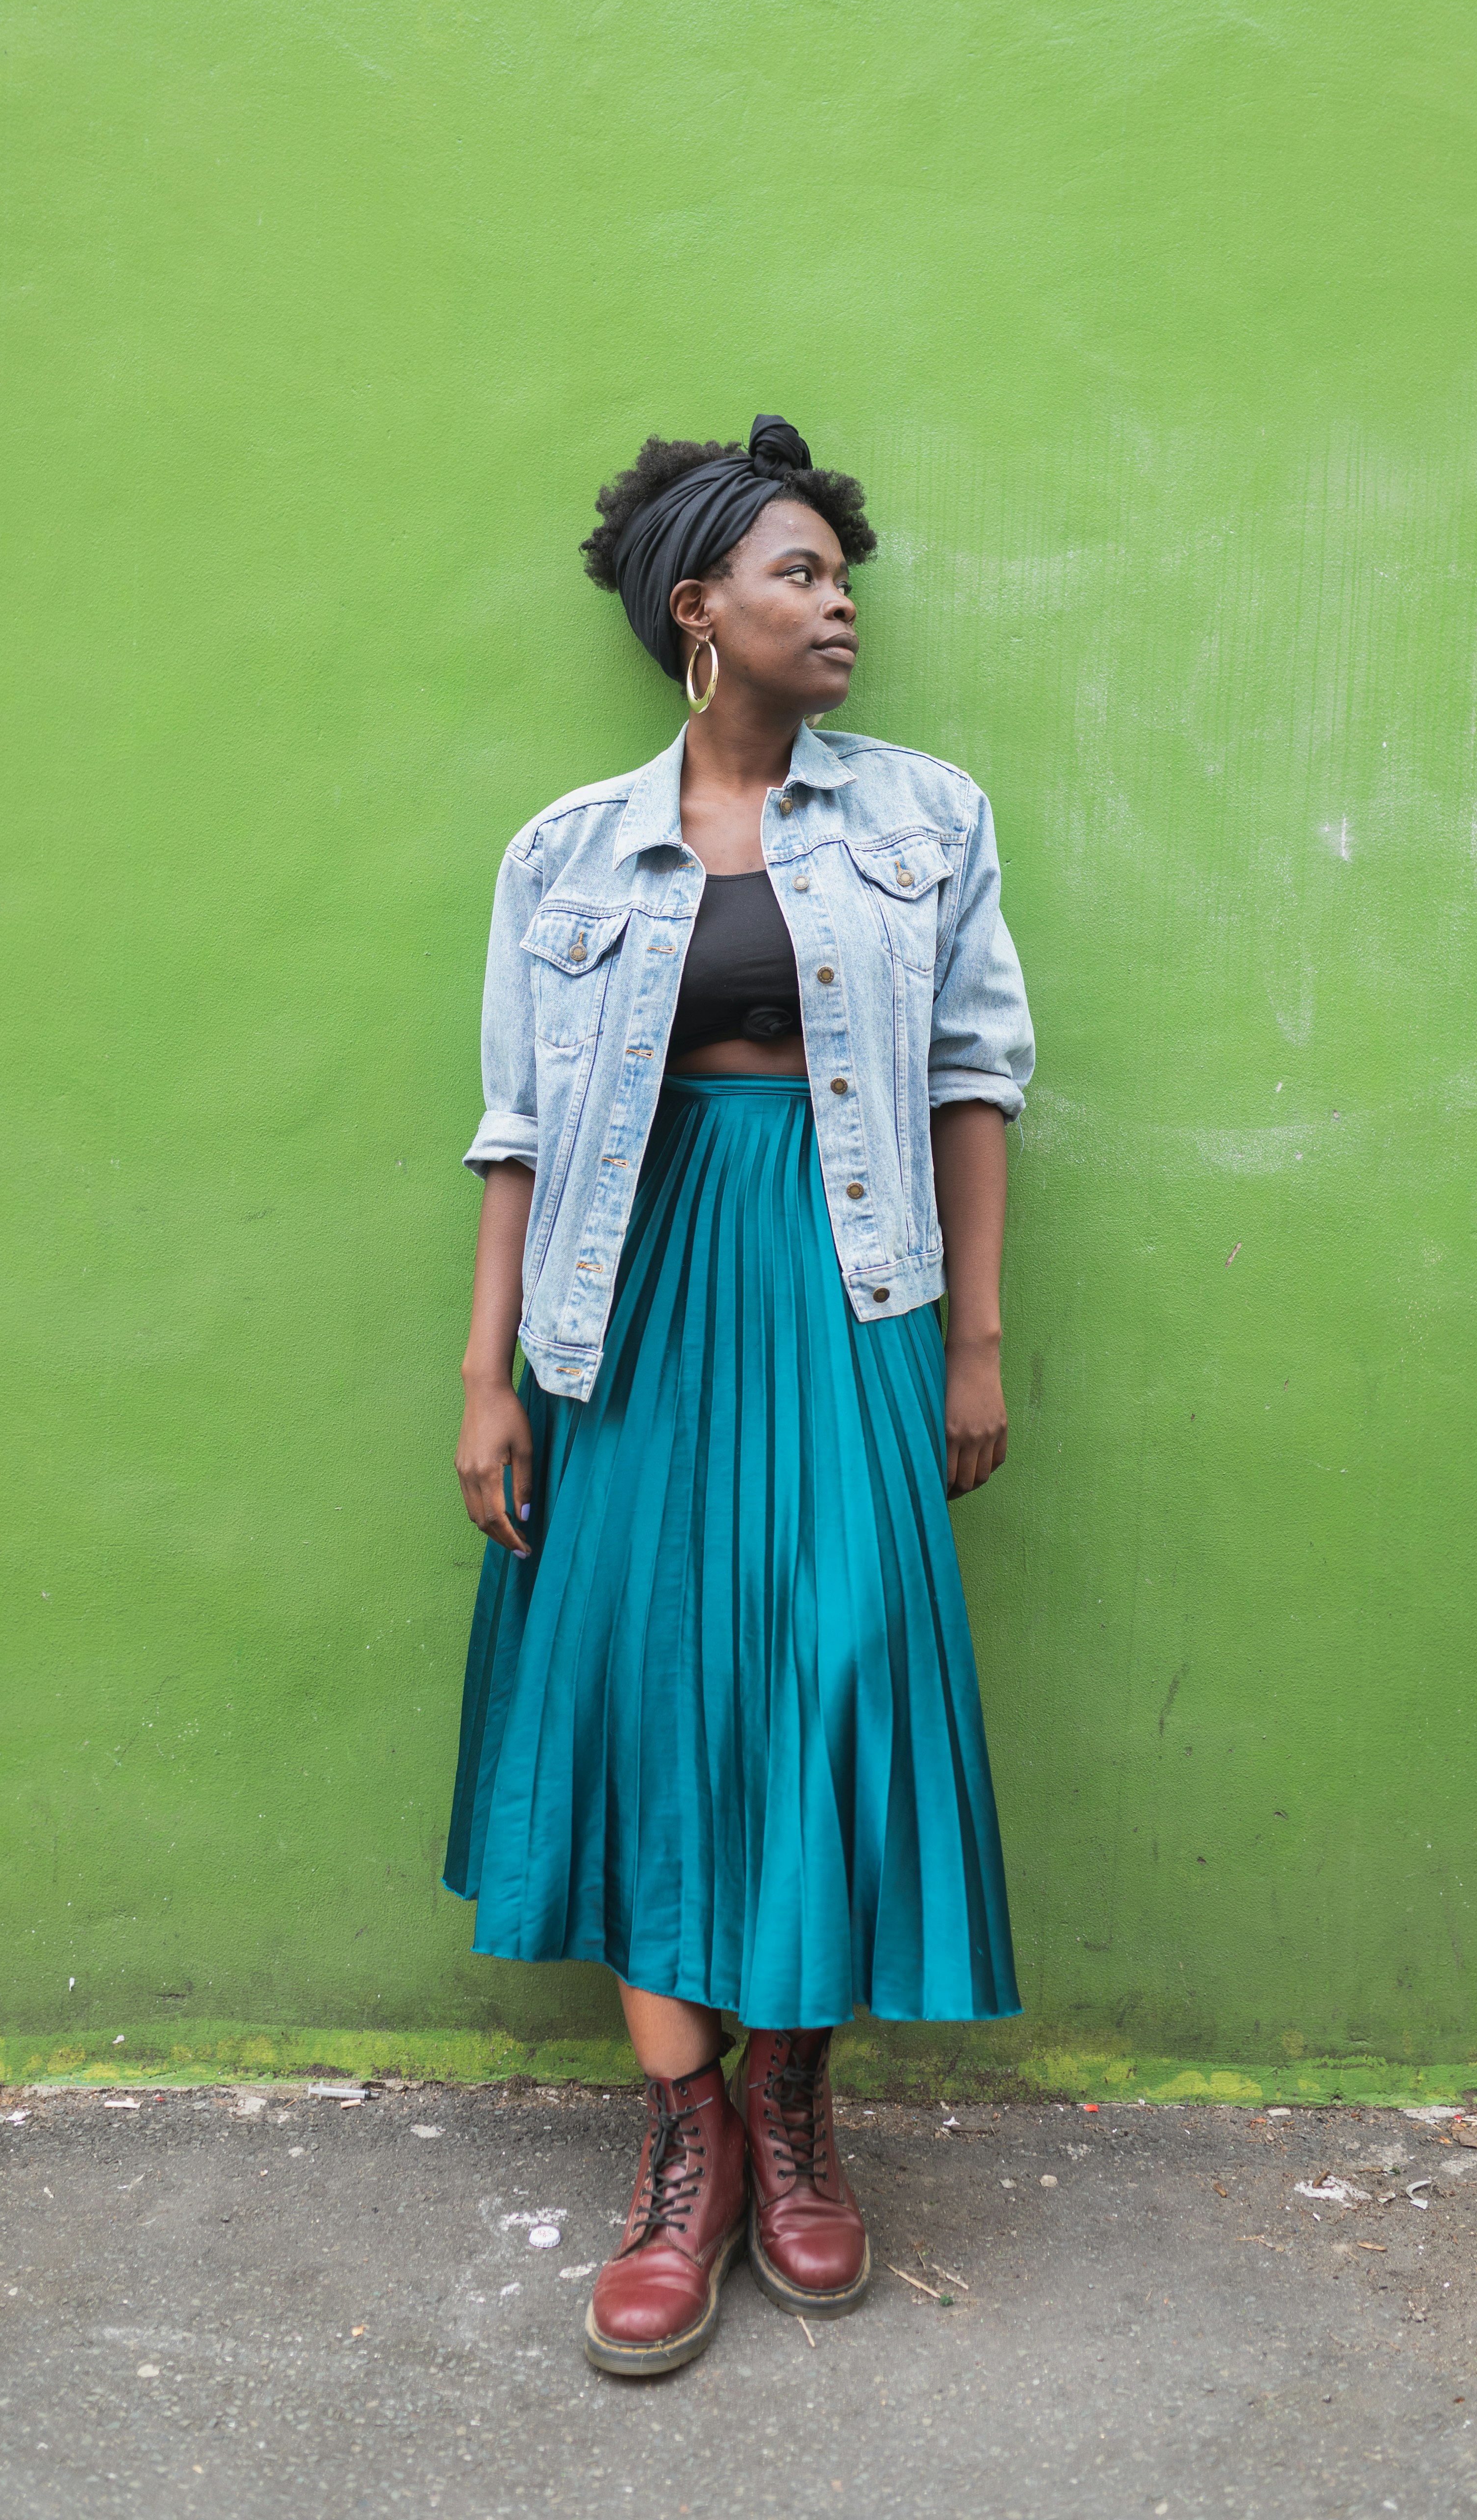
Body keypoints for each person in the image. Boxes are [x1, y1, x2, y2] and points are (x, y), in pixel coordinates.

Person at [445, 415, 1034, 2377]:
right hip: (632, 1296)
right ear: (696, 612)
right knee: (648, 1687)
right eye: (797, 573)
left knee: (832, 1670)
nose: (836, 600)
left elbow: (974, 1075)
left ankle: (797, 2113)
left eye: (839, 573)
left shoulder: (923, 819)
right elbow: (520, 1131)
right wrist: (489, 1381)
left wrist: (971, 1343)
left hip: (846, 1283)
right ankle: (689, 2152)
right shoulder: (570, 846)